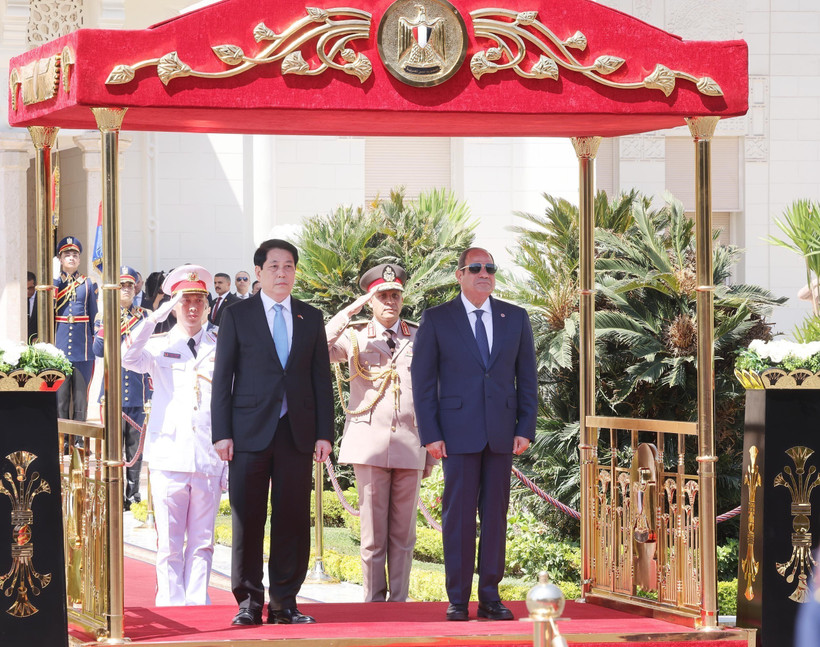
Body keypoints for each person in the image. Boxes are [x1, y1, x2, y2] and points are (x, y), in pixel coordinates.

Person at [211, 239, 334, 626]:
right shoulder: (237, 314)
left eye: (289, 266)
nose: (283, 273)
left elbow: (320, 379)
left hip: (296, 432)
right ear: (260, 273)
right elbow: (222, 377)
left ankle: (284, 601)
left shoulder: (310, 318)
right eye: (275, 266)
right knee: (248, 517)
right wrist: (222, 432)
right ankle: (248, 601)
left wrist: (324, 433)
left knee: (293, 517)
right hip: (248, 431)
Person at [410, 247, 537, 622]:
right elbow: (423, 381)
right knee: (459, 517)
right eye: (476, 268)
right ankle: (457, 599)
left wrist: (525, 427)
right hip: (455, 434)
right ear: (459, 275)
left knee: (496, 517)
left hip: (502, 434)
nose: (484, 273)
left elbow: (527, 377)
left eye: (490, 268)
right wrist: (430, 434)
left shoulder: (514, 317)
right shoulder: (437, 319)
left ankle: (491, 597)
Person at [326, 263, 435, 603]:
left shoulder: (420, 335)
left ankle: (399, 603)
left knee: (404, 535)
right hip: (369, 444)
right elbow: (316, 347)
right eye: (382, 295)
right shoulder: (354, 334)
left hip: (410, 443)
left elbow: (433, 393)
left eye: (395, 295)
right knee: (373, 536)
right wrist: (350, 311)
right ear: (371, 300)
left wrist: (431, 450)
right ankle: (373, 604)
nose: (390, 301)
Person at [122, 265, 227, 606]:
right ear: (174, 305)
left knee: (202, 542)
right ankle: (171, 605)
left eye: (198, 300)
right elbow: (127, 357)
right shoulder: (158, 343)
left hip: (208, 455)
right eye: (185, 301)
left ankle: (198, 605)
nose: (192, 308)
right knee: (168, 543)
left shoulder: (221, 345)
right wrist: (154, 317)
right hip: (169, 455)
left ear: (208, 305)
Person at [93, 266, 151, 510]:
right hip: (113, 390)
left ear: (135, 287)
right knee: (114, 445)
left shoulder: (146, 316)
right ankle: (115, 492)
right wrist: (110, 322)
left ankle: (133, 492)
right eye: (121, 285)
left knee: (135, 445)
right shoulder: (103, 316)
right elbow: (97, 351)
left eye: (129, 285)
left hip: (138, 390)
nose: (126, 290)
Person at [54, 236, 99, 426]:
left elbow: (94, 316)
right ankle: (62, 440)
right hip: (60, 350)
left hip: (83, 350)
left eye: (74, 255)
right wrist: (55, 279)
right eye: (67, 255)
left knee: (81, 399)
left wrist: (94, 345)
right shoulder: (55, 284)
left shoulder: (88, 284)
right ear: (61, 259)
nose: (71, 258)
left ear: (79, 260)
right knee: (61, 399)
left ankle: (79, 441)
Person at [26, 270, 37, 342]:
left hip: (37, 341)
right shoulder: (17, 299)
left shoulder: (42, 299)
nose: (27, 291)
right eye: (25, 288)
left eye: (30, 288)